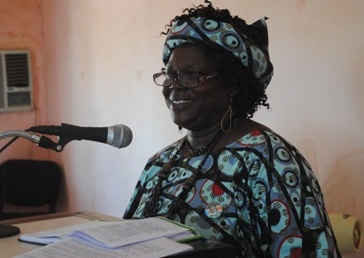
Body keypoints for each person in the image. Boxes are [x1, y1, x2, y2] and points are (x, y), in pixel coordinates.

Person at [123, 1, 341, 257]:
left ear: (233, 84)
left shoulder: (271, 162)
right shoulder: (158, 165)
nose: (175, 86)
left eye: (192, 75)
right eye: (170, 75)